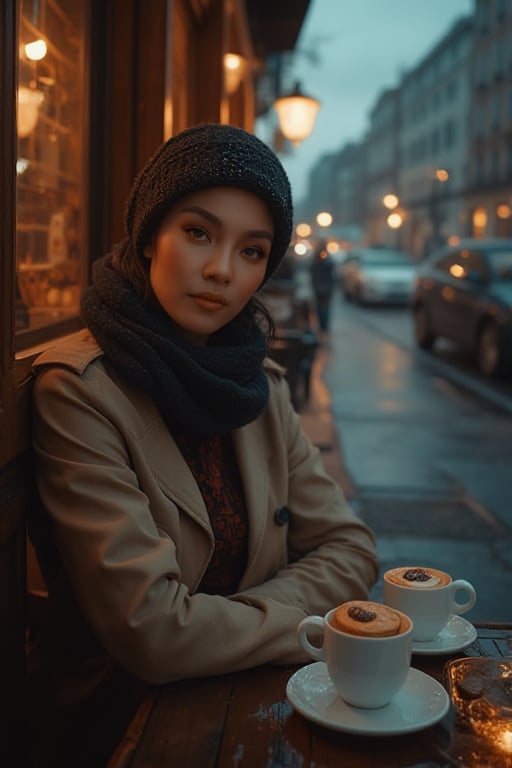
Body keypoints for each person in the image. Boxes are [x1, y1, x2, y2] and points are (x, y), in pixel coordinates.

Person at [27, 124, 378, 766]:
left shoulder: (259, 387)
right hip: (118, 727)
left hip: (256, 701)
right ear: (149, 234)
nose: (222, 270)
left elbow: (351, 547)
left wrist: (221, 624)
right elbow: (153, 634)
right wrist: (301, 613)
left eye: (252, 251)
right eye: (198, 233)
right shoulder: (80, 390)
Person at [310, 239, 336, 333]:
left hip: (322, 287)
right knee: (323, 307)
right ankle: (323, 325)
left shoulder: (319, 258)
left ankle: (323, 326)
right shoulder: (322, 258)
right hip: (323, 287)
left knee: (322, 307)